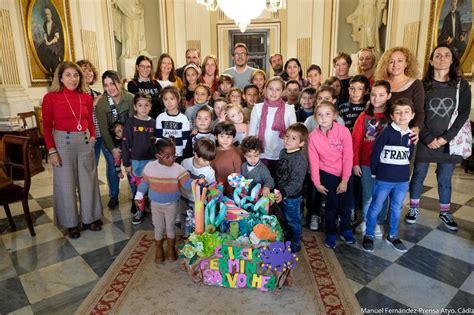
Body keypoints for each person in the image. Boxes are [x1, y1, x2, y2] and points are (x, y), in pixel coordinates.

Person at [406, 44, 471, 231]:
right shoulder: (420, 85)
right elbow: (417, 112)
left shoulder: (461, 85)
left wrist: (446, 138)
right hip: (425, 139)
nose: (441, 59)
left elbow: (463, 113)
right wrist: (427, 137)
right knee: (418, 175)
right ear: (431, 60)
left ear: (452, 60)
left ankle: (445, 212)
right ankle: (413, 208)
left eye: (446, 55)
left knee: (444, 177)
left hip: (449, 141)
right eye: (438, 55)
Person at [42, 61, 102, 239]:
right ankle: (71, 223)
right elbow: (45, 127)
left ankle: (89, 218)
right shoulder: (51, 97)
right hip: (62, 143)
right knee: (65, 184)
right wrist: (52, 151)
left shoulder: (86, 97)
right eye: (68, 75)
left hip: (84, 142)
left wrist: (92, 138)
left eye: (76, 75)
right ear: (60, 77)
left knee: (88, 182)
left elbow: (90, 121)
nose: (73, 79)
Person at [362, 98, 415, 253]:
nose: (402, 115)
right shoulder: (385, 133)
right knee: (376, 206)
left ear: (412, 115)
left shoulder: (411, 136)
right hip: (384, 179)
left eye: (406, 112)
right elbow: (375, 153)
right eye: (398, 112)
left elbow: (409, 155)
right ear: (392, 116)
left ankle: (392, 235)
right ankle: (369, 235)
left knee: (397, 208)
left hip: (402, 180)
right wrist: (374, 172)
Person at [135, 137, 194, 262]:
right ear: (158, 156)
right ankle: (159, 250)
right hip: (155, 204)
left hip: (171, 204)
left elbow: (187, 184)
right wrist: (139, 195)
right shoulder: (150, 167)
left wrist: (198, 182)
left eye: (174, 155)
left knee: (170, 227)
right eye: (168, 156)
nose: (172, 159)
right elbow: (144, 183)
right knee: (158, 227)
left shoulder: (178, 168)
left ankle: (171, 250)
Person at [308, 101, 355, 249]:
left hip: (345, 174)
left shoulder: (343, 131)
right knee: (331, 206)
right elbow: (314, 161)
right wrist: (317, 183)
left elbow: (348, 157)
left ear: (334, 115)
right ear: (315, 117)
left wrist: (345, 180)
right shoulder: (313, 136)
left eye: (327, 114)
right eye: (320, 114)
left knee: (346, 205)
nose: (323, 117)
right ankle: (331, 232)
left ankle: (346, 229)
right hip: (327, 174)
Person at [352, 80, 392, 236]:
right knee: (368, 195)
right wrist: (355, 163)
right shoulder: (364, 116)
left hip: (386, 165)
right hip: (366, 163)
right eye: (374, 94)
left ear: (389, 96)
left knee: (383, 195)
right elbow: (355, 141)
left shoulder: (392, 116)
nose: (376, 98)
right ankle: (368, 220)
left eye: (381, 95)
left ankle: (379, 222)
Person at [95, 70, 135, 209]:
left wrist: (127, 147)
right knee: (113, 167)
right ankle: (114, 196)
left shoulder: (130, 98)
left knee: (131, 168)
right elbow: (104, 130)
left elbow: (132, 124)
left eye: (112, 83)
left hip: (128, 141)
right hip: (110, 142)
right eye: (106, 85)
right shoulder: (102, 104)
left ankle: (137, 197)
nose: (110, 88)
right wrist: (113, 149)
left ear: (119, 82)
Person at [249, 76, 297, 176]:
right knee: (261, 182)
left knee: (278, 183)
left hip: (281, 152)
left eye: (277, 89)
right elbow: (252, 133)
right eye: (270, 88)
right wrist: (252, 152)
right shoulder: (257, 108)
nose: (273, 92)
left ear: (283, 92)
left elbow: (293, 134)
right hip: (261, 152)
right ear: (265, 89)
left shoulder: (289, 109)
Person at [374, 46, 424, 139]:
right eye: (391, 61)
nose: (395, 65)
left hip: (404, 134)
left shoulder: (416, 84)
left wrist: (417, 128)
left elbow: (419, 112)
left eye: (399, 61)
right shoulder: (381, 83)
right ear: (386, 64)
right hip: (380, 132)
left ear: (406, 63)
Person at [121, 92, 156, 224]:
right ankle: (139, 210)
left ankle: (154, 210)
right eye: (140, 105)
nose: (143, 108)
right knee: (138, 188)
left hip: (152, 160)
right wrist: (126, 163)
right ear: (135, 107)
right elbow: (125, 143)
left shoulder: (153, 122)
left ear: (150, 106)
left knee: (152, 186)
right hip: (136, 161)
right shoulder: (130, 123)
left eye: (146, 105)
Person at [274, 123, 309, 253]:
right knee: (283, 218)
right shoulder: (283, 152)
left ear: (301, 143)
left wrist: (284, 192)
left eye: (293, 138)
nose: (288, 140)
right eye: (287, 136)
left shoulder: (300, 159)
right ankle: (287, 236)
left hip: (292, 197)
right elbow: (281, 171)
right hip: (281, 193)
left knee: (293, 221)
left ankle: (295, 243)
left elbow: (296, 182)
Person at [155, 86, 190, 163]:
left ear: (178, 99)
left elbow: (185, 139)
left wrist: (184, 156)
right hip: (164, 155)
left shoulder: (183, 118)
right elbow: (158, 138)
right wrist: (159, 153)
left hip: (178, 155)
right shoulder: (160, 118)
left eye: (172, 98)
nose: (169, 102)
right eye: (166, 99)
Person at [77, 60, 102, 163]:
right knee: (86, 167)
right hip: (84, 137)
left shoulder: (97, 94)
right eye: (84, 71)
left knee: (94, 166)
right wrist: (94, 103)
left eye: (90, 70)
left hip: (98, 135)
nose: (88, 73)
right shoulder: (75, 94)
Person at [211, 121, 243, 196]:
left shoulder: (237, 153)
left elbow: (238, 173)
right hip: (216, 187)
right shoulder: (213, 152)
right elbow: (211, 170)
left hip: (232, 188)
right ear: (216, 136)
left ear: (233, 137)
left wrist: (236, 191)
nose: (225, 140)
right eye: (222, 136)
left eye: (228, 137)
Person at [38, 7, 63, 73]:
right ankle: (47, 68)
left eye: (48, 14)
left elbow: (56, 38)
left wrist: (49, 43)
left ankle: (54, 68)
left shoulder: (54, 25)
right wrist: (46, 41)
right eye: (46, 14)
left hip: (54, 42)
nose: (47, 16)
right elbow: (45, 33)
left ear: (51, 14)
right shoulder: (45, 24)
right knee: (41, 48)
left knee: (50, 50)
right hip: (48, 40)